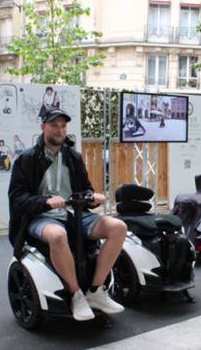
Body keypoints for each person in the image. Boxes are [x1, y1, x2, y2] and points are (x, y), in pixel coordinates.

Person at [8, 108, 126, 321]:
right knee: (57, 235)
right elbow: (17, 198)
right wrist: (44, 202)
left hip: (73, 212)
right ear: (43, 127)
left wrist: (92, 196)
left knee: (118, 228)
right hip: (42, 217)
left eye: (63, 126)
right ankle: (76, 295)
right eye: (54, 125)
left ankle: (96, 290)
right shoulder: (27, 159)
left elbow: (85, 188)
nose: (59, 130)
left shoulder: (73, 157)